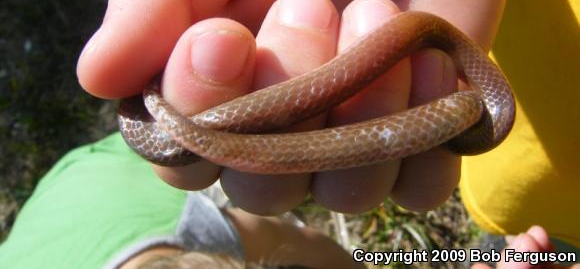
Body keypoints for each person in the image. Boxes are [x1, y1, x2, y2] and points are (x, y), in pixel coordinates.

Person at [74, 0, 580, 263]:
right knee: (539, 239)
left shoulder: (470, 105)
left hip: (527, 168)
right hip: (528, 182)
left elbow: (476, 110)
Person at [0, 133, 362, 269]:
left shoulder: (197, 227)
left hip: (142, 160)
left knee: (243, 186)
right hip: (62, 188)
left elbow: (318, 250)